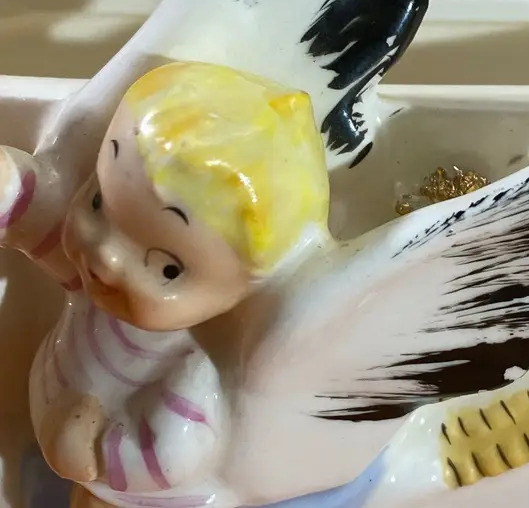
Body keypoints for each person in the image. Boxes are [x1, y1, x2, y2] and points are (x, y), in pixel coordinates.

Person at [1, 62, 330, 508]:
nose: (107, 254)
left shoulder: (191, 371)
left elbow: (169, 456)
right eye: (98, 202)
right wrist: (12, 191)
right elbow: (40, 232)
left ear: (244, 290)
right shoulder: (92, 288)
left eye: (167, 269)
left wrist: (95, 447)